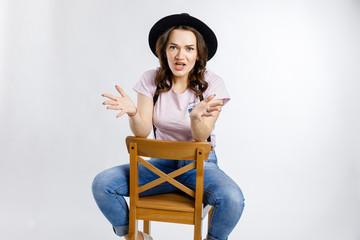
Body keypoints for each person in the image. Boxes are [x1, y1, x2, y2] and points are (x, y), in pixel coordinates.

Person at [92, 13, 245, 240]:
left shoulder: (212, 84)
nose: (180, 55)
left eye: (189, 48)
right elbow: (142, 131)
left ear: (198, 54)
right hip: (159, 167)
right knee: (102, 184)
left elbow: (202, 135)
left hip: (200, 165)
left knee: (232, 199)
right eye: (173, 47)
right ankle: (134, 237)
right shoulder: (151, 79)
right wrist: (133, 112)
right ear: (164, 50)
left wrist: (195, 119)